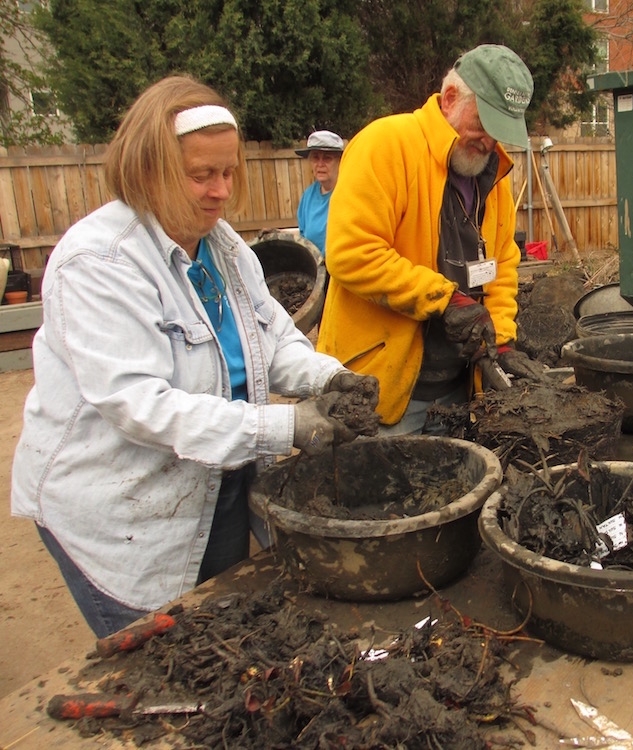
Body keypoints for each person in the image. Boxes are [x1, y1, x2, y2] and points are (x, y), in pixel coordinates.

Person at [10, 75, 378, 638]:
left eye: (228, 172)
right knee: (167, 665)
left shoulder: (225, 248)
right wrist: (288, 424)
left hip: (218, 480)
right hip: (125, 509)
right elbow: (142, 406)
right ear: (148, 169)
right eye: (201, 175)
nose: (220, 191)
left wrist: (332, 379)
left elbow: (274, 340)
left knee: (226, 634)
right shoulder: (99, 263)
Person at [316, 44, 546, 436]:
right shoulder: (386, 145)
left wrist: (501, 341)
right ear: (451, 98)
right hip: (381, 392)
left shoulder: (494, 177)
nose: (489, 141)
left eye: (500, 129)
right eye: (484, 121)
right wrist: (443, 300)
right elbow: (351, 252)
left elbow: (503, 264)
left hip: (458, 391)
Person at [295, 130, 345, 257]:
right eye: (315, 157)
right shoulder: (308, 196)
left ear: (340, 162)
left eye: (327, 158)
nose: (320, 164)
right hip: (316, 271)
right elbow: (303, 238)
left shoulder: (348, 194)